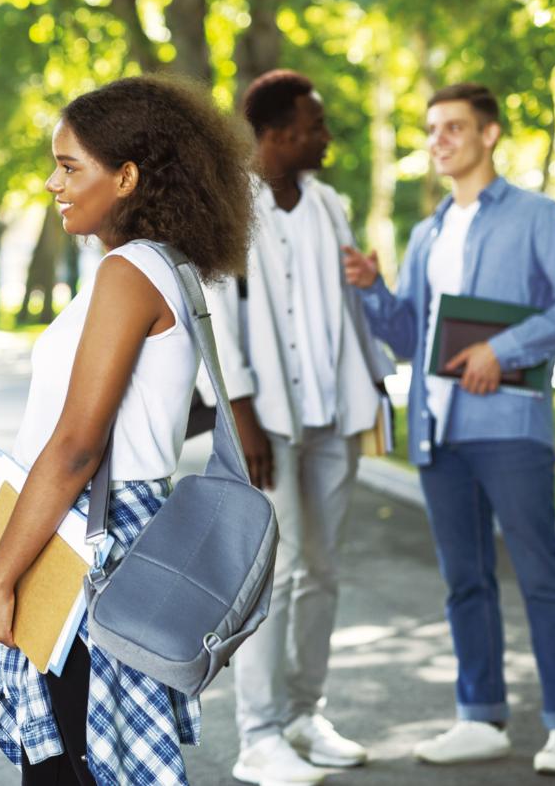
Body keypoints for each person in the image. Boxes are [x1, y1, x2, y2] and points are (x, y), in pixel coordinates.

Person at [0, 75, 255, 786]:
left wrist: (2, 576)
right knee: (96, 759)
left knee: (71, 763)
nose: (53, 182)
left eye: (69, 165)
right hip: (105, 532)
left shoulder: (129, 272)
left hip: (92, 547)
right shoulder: (165, 268)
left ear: (126, 176)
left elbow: (77, 445)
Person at [343, 83, 555, 775]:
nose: (439, 140)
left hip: (510, 425)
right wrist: (373, 289)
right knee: (465, 580)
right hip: (437, 428)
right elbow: (412, 336)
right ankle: (479, 715)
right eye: (431, 129)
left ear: (489, 134)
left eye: (454, 127)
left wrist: (503, 350)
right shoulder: (427, 233)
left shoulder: (537, 217)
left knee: (542, 572)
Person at [197, 70, 393, 785]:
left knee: (323, 571)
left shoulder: (330, 206)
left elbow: (350, 308)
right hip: (266, 421)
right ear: (279, 133)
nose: (325, 135)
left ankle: (307, 713)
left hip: (334, 415)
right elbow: (213, 319)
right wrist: (239, 411)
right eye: (315, 124)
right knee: (269, 578)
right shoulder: (227, 209)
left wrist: (375, 389)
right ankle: (261, 735)